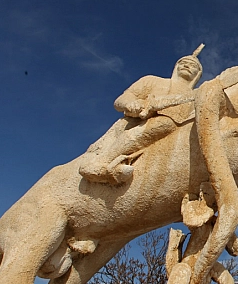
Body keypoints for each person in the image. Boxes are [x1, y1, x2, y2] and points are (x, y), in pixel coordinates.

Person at [79, 44, 205, 184]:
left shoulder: (197, 95)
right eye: (184, 63)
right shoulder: (152, 80)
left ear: (198, 74)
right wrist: (130, 103)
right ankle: (102, 163)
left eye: (193, 66)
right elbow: (123, 99)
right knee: (157, 125)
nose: (187, 66)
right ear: (176, 67)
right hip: (146, 123)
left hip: (180, 132)